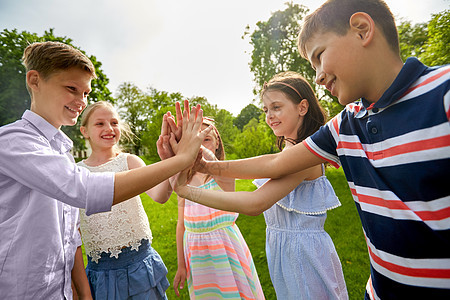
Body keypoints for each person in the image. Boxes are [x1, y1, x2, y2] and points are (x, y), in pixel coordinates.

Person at [176, 1, 450, 299]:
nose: (318, 76)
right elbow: (273, 165)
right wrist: (203, 165)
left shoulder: (442, 92)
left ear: (362, 30)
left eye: (319, 56)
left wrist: (189, 187)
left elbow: (258, 198)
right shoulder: (345, 123)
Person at [0, 41, 208, 299]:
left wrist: (172, 159)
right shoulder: (13, 141)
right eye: (71, 89)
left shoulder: (60, 152)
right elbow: (85, 190)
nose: (80, 101)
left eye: (85, 93)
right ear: (35, 80)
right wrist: (179, 160)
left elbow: (68, 239)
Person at [172, 72, 348, 299]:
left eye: (276, 107)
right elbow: (267, 165)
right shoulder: (289, 153)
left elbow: (255, 202)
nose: (269, 116)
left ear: (302, 107)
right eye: (266, 110)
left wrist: (188, 189)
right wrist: (207, 166)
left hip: (305, 255)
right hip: (284, 252)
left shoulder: (304, 156)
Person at [77, 101, 175, 299]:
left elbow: (160, 195)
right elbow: (73, 236)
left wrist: (171, 160)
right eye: (100, 124)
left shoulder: (130, 162)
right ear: (84, 131)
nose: (109, 128)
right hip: (102, 272)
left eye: (114, 122)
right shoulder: (76, 173)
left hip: (140, 265)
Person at [172, 118, 265, 299]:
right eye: (195, 138)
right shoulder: (184, 180)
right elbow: (181, 224)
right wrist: (181, 265)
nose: (199, 142)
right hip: (196, 252)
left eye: (206, 138)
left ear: (217, 145)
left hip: (225, 247)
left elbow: (228, 187)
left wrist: (200, 150)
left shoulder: (225, 173)